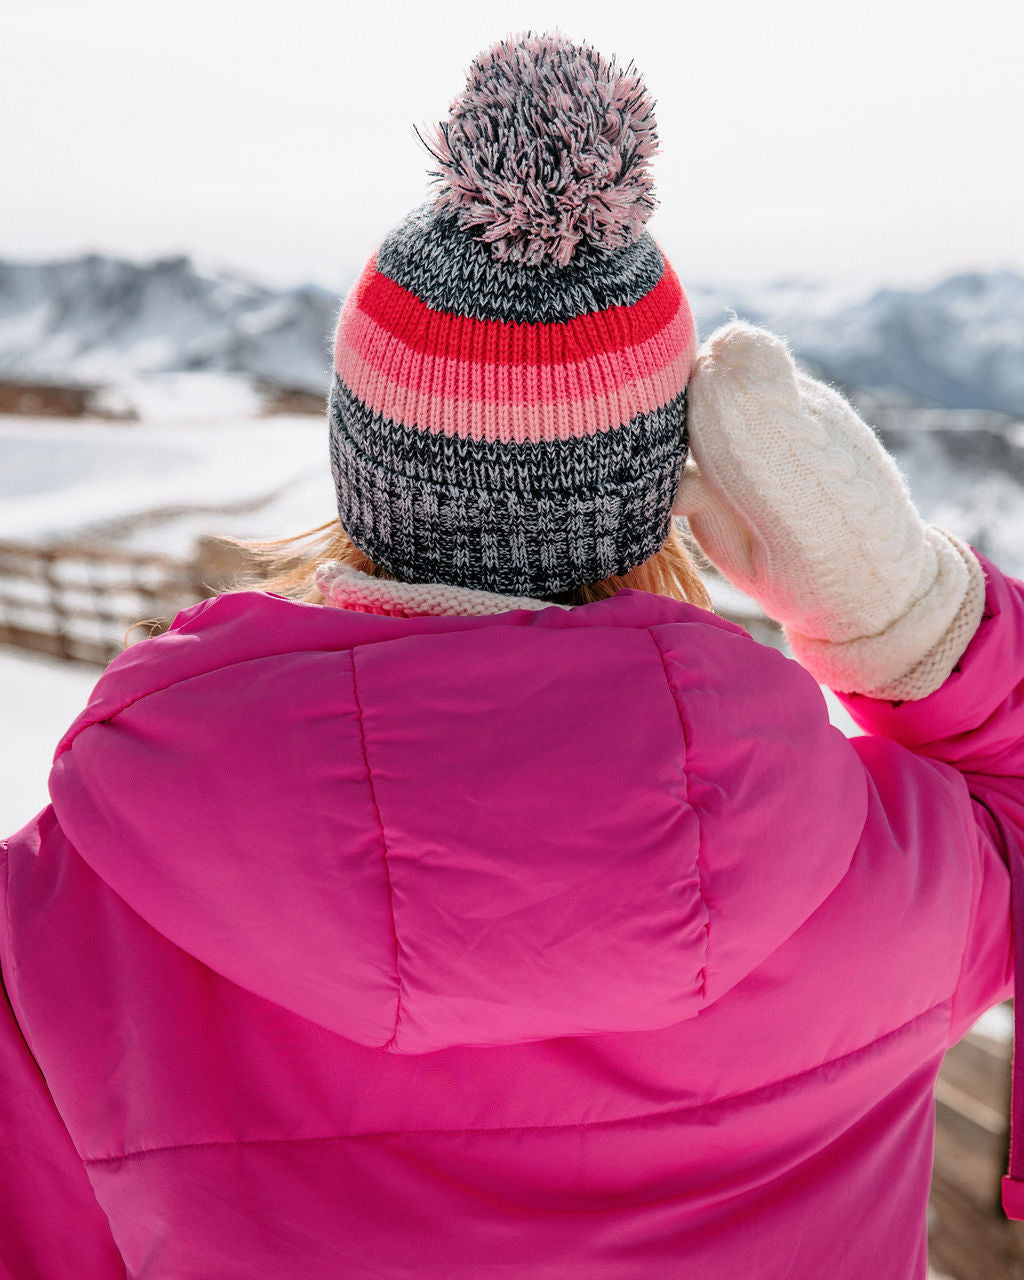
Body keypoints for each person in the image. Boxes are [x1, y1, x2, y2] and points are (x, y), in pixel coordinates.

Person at [1, 30, 1021, 1280]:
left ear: (360, 470)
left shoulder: (57, 923)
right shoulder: (882, 876)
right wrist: (911, 613)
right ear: (666, 493)